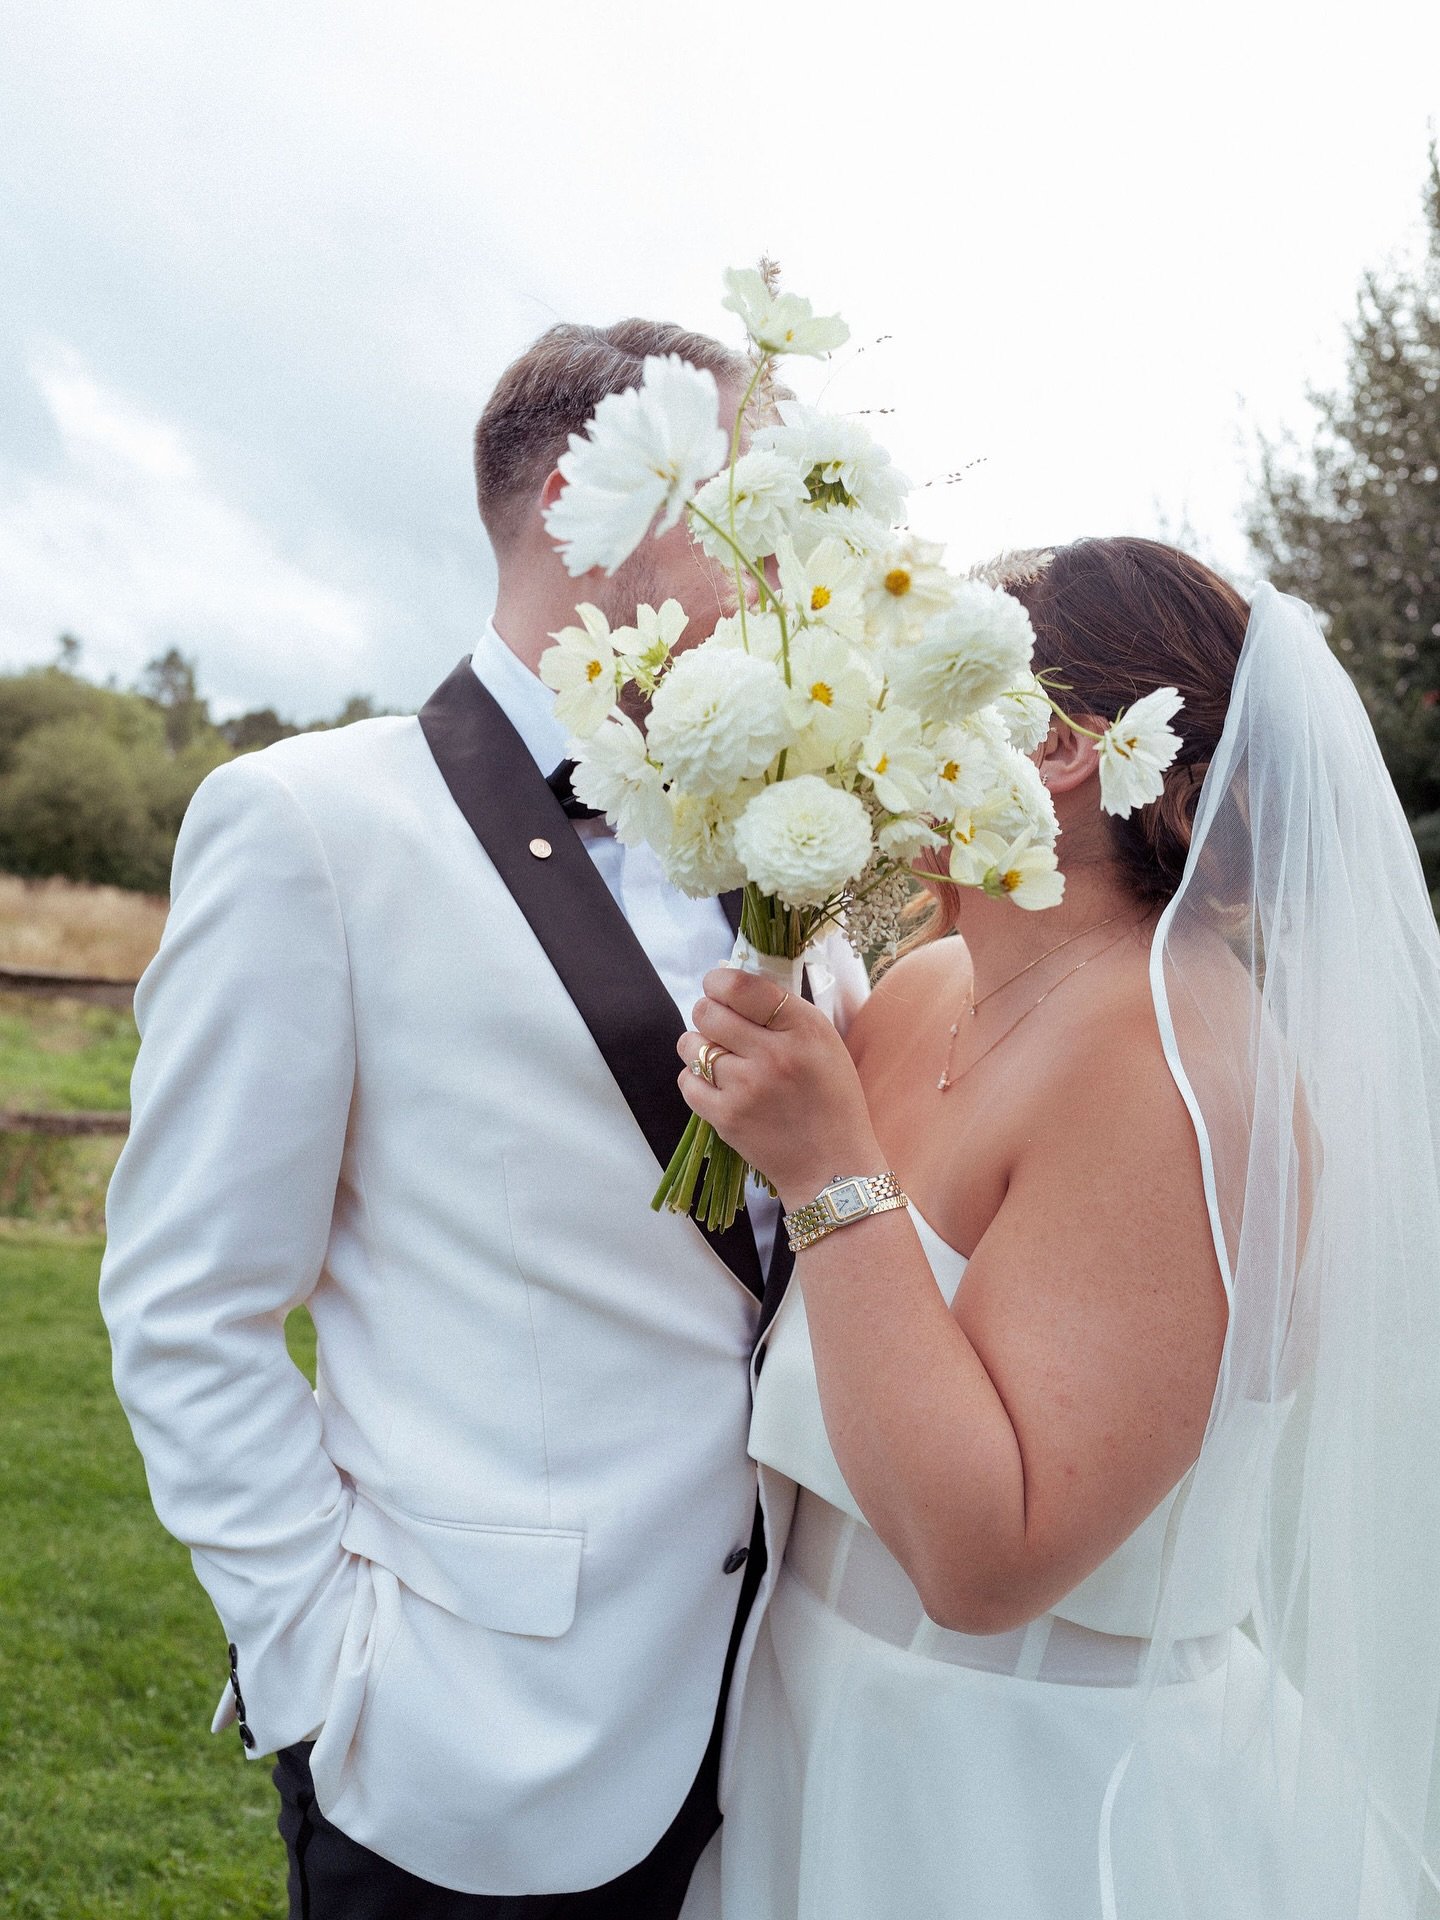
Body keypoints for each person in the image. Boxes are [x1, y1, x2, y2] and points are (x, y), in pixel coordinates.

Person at [98, 317, 865, 1919]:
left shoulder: (794, 847)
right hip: (462, 1748)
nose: (791, 557)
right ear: (591, 495)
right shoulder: (310, 824)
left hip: (786, 1732)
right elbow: (188, 1307)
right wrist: (320, 1678)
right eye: (751, 504)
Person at [675, 539, 1440, 1918]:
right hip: (807, 1725)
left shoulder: (1180, 1070)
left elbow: (990, 1561)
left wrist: (827, 1170)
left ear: (1068, 747)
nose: (880, 719)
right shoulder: (931, 988)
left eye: (927, 682)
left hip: (1006, 1806)